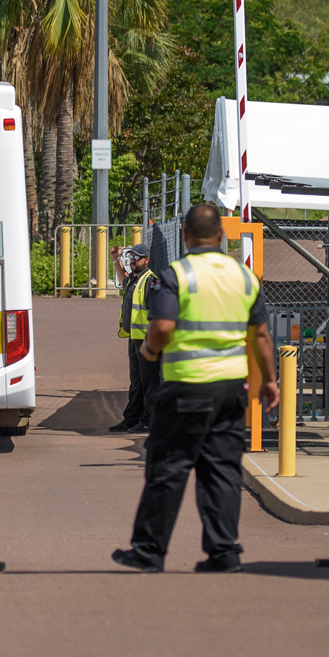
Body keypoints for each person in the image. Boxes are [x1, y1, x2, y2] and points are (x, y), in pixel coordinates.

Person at [112, 203, 279, 574]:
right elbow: (262, 335)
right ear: (220, 236)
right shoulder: (243, 276)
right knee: (221, 471)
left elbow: (162, 328)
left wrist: (149, 351)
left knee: (168, 469)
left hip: (186, 387)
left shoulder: (177, 275)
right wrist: (269, 380)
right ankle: (223, 553)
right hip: (230, 390)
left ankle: (149, 551)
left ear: (185, 237)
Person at [109, 244, 159, 434]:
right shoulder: (134, 280)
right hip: (135, 339)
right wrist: (116, 259)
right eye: (131, 257)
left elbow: (157, 313)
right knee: (137, 381)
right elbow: (123, 280)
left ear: (146, 260)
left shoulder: (150, 281)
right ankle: (132, 419)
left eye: (137, 258)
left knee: (149, 381)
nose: (133, 260)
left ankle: (149, 420)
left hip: (147, 340)